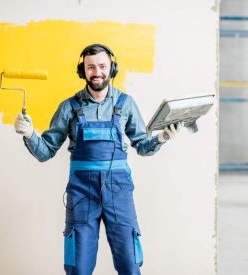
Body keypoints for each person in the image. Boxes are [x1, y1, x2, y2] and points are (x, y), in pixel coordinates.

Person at [14, 43, 183, 275]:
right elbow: (45, 152)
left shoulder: (125, 104)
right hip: (82, 193)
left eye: (103, 66)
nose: (97, 72)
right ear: (82, 71)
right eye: (91, 67)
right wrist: (29, 134)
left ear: (112, 69)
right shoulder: (69, 108)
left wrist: (163, 137)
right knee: (78, 266)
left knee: (130, 264)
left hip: (119, 191)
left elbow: (143, 147)